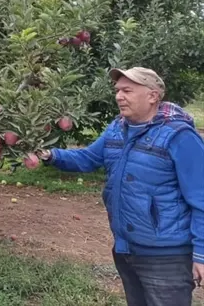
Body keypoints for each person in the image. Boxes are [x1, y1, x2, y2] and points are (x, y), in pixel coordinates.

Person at [38, 67, 204, 306]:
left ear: (152, 96)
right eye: (117, 90)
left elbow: (201, 197)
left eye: (127, 90)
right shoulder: (117, 128)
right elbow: (88, 158)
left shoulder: (179, 136)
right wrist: (49, 155)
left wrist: (201, 253)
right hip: (126, 248)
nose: (118, 96)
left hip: (166, 256)